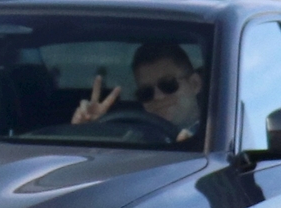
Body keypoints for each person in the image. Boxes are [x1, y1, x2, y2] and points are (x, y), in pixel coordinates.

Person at [70, 42, 208, 143]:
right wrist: (88, 131)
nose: (158, 97)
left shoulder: (220, 135)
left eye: (168, 85)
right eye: (146, 92)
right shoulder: (131, 139)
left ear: (194, 84)